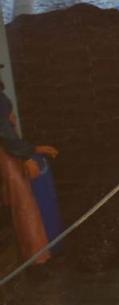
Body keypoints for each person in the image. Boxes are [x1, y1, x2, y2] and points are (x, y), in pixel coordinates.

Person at [0, 73, 57, 267]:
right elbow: (6, 134)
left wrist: (32, 149)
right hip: (6, 156)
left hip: (8, 151)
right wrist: (26, 155)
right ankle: (37, 261)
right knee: (25, 206)